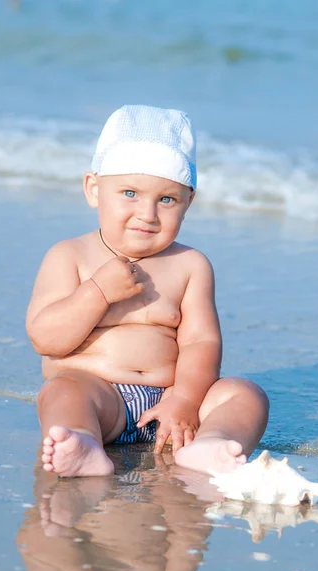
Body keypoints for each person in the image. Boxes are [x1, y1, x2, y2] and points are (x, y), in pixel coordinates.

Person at [26, 105, 269, 478]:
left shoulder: (190, 265)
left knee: (245, 394)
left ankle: (212, 443)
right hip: (98, 396)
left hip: (172, 404)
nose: (148, 213)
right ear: (94, 189)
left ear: (189, 201)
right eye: (129, 193)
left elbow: (201, 343)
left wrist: (186, 400)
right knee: (62, 391)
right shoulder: (70, 256)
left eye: (166, 199)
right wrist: (97, 292)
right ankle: (82, 443)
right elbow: (46, 339)